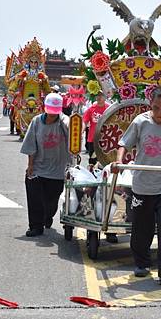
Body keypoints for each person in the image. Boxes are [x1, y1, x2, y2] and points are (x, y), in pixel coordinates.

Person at [113, 87, 161, 286]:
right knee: (142, 227)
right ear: (150, 105)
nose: (159, 113)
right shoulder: (140, 122)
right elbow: (124, 143)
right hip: (142, 184)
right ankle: (142, 263)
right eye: (156, 108)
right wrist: (119, 162)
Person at [20, 92, 70, 237]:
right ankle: (35, 226)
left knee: (51, 201)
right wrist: (30, 165)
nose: (52, 115)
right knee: (35, 197)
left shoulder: (64, 121)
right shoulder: (36, 121)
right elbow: (31, 144)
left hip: (58, 169)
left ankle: (47, 216)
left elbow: (74, 131)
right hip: (38, 167)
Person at [82, 91, 110, 167]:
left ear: (105, 97)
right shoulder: (91, 109)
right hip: (92, 139)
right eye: (97, 95)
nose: (99, 97)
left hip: (105, 139)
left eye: (101, 95)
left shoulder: (109, 109)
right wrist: (81, 131)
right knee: (92, 160)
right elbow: (85, 121)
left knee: (105, 161)